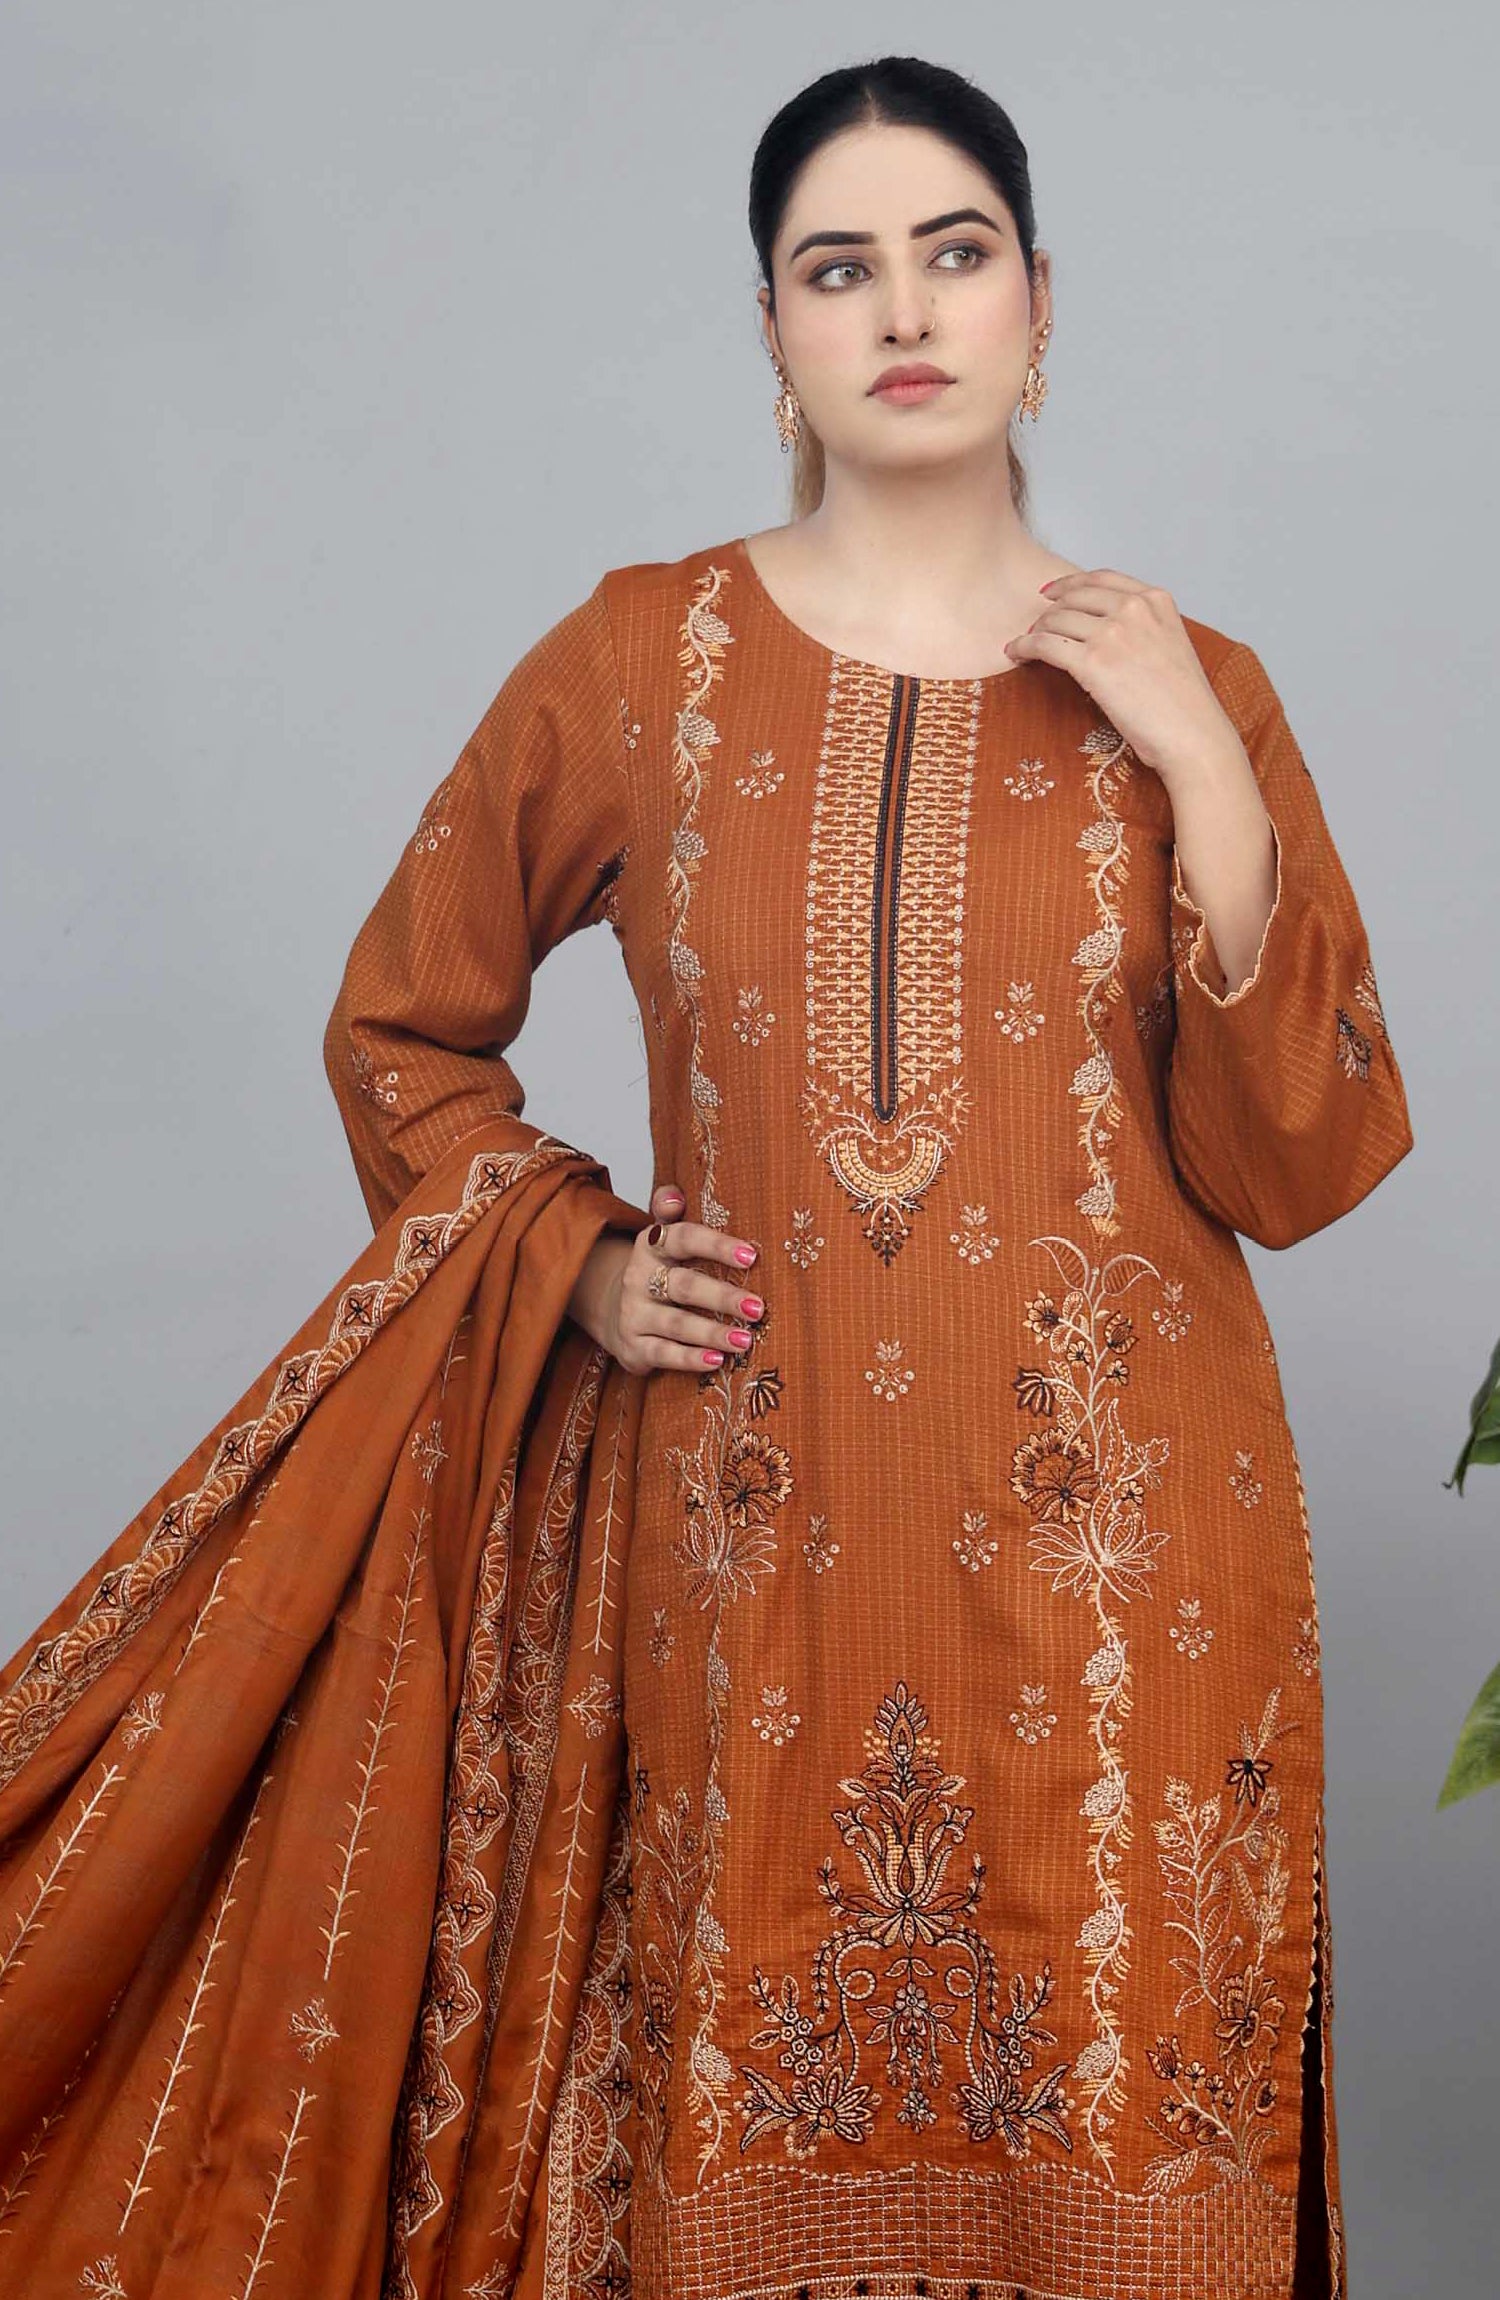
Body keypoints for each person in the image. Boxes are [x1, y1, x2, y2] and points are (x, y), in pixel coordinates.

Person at [0, 52, 1411, 2300]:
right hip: (762, 1577)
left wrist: (1209, 790)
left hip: (1127, 1595)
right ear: (772, 329)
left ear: (1042, 301)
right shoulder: (641, 659)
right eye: (838, 269)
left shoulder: (1195, 686)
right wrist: (569, 1257)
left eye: (954, 254)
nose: (903, 312)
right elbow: (400, 1021)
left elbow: (1305, 1153)